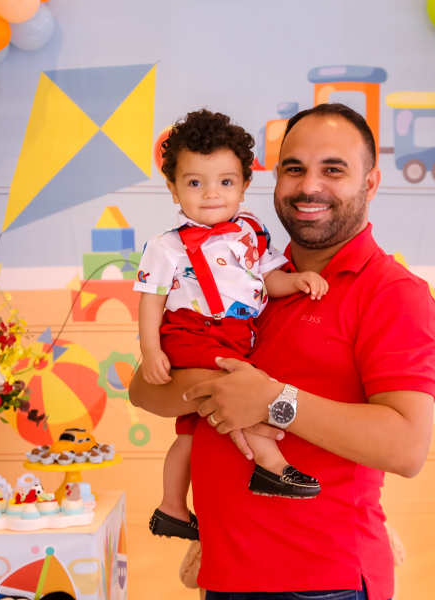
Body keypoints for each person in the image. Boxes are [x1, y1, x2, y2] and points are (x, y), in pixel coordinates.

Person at [130, 103, 435, 600]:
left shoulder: (392, 292)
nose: (309, 186)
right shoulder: (245, 276)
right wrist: (227, 391)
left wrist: (274, 400)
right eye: (294, 169)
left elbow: (405, 448)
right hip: (225, 572)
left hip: (323, 584)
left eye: (333, 170)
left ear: (371, 182)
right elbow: (146, 389)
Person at [136, 110, 330, 542]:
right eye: (194, 183)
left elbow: (268, 279)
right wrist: (151, 351)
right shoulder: (165, 247)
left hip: (238, 334)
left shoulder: (252, 231)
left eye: (225, 182)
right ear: (172, 189)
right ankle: (271, 464)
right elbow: (150, 302)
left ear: (244, 184)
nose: (210, 194)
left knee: (191, 430)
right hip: (192, 333)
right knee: (243, 387)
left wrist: (295, 281)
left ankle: (171, 508)